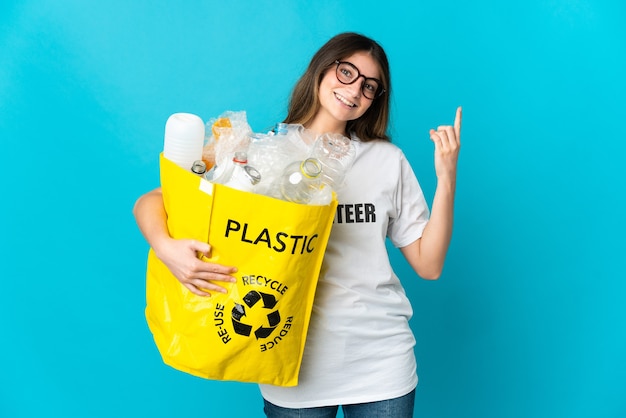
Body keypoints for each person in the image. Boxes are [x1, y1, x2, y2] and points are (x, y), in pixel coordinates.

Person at [133, 32, 461, 418]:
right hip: (289, 360)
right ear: (322, 69)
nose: (354, 90)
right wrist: (166, 247)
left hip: (380, 360)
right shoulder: (258, 153)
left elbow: (429, 264)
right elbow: (154, 200)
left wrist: (447, 178)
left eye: (369, 86)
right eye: (347, 72)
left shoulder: (386, 160)